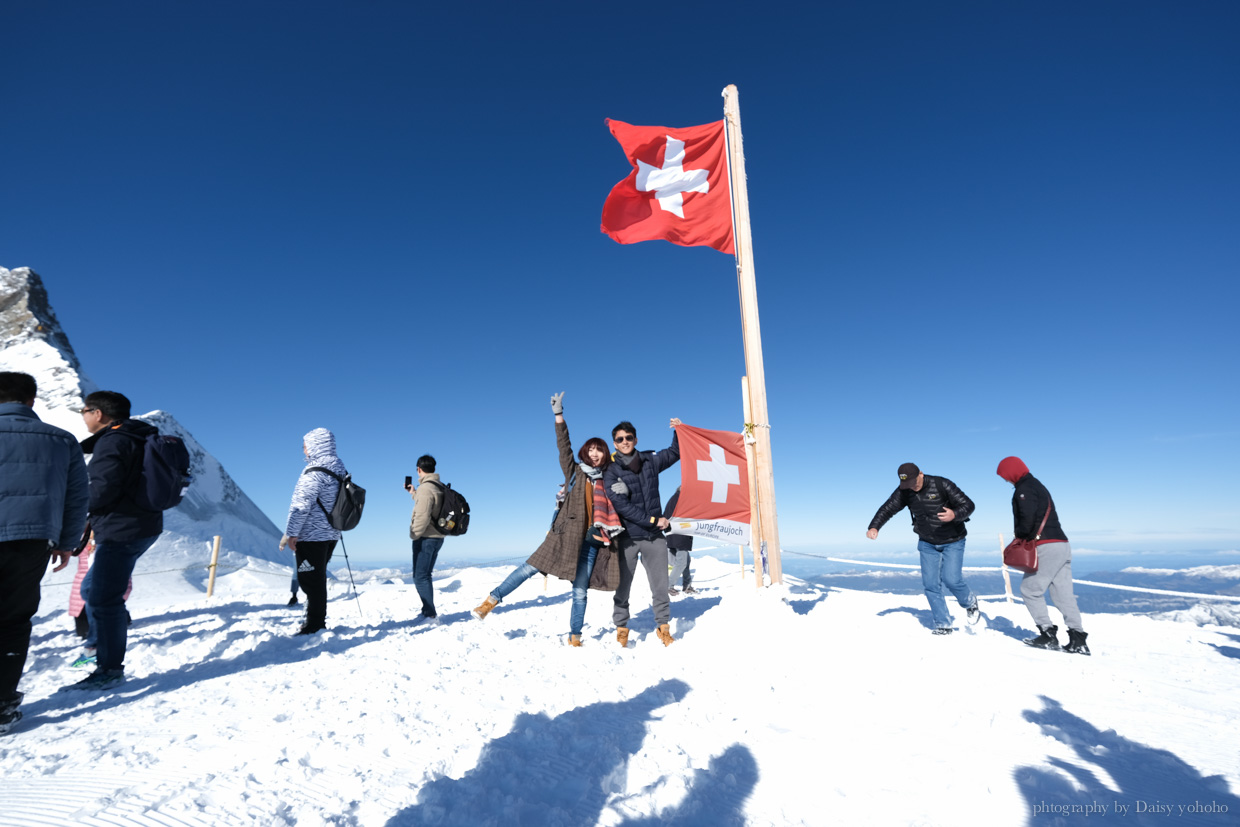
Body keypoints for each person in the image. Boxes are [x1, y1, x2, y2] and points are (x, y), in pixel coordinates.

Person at [472, 393, 621, 646]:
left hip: (591, 541)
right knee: (529, 568)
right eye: (591, 450)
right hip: (564, 536)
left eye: (599, 451)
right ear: (586, 452)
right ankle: (491, 601)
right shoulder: (574, 471)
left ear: (605, 455)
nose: (595, 455)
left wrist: (623, 491)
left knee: (580, 592)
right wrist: (558, 416)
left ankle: (575, 636)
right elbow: (564, 447)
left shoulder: (609, 478)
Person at [0, 372, 88, 732]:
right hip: (31, 540)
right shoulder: (62, 439)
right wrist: (67, 543)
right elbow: (77, 499)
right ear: (31, 401)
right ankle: (3, 704)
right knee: (13, 621)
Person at [68, 390, 163, 689]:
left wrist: (73, 507)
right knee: (94, 588)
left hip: (121, 530)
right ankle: (99, 648)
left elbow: (102, 489)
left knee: (103, 598)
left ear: (98, 413)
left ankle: (108, 669)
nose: (83, 416)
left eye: (84, 410)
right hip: (142, 525)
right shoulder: (139, 437)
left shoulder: (114, 441)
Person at [866, 462, 980, 635]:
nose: (911, 487)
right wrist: (874, 527)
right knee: (931, 584)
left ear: (921, 473)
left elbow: (969, 505)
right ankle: (943, 624)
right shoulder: (905, 490)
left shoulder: (942, 484)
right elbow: (888, 508)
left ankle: (969, 603)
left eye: (913, 482)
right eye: (907, 484)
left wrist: (954, 514)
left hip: (953, 540)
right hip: (927, 542)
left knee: (952, 580)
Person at [997, 456, 1089, 655]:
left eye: (1005, 476)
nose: (1006, 481)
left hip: (1046, 545)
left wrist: (1020, 536)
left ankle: (1047, 634)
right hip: (1062, 544)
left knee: (1030, 590)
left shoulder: (1024, 489)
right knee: (1063, 594)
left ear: (1012, 472)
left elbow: (1027, 519)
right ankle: (1078, 639)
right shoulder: (1038, 485)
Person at [604, 418, 681, 647]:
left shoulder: (650, 460)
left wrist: (679, 430)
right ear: (615, 444)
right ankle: (621, 628)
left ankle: (663, 627)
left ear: (635, 439)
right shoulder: (610, 470)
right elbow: (621, 506)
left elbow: (676, 452)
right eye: (620, 439)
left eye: (629, 437)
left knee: (660, 585)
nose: (625, 441)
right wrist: (653, 520)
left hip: (654, 537)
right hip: (627, 538)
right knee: (623, 586)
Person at [280, 428, 346, 636]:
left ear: (316, 445)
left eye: (306, 446)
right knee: (316, 578)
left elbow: (300, 505)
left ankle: (315, 625)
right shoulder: (339, 469)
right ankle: (314, 620)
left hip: (311, 536)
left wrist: (291, 534)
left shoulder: (314, 472)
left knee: (310, 580)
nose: (304, 450)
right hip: (331, 534)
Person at [407, 454, 445, 624]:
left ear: (419, 469)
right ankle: (428, 611)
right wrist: (413, 493)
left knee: (420, 577)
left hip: (425, 538)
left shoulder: (425, 489)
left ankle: (429, 613)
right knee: (425, 575)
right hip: (438, 537)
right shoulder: (438, 486)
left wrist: (414, 535)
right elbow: (431, 507)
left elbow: (422, 515)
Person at [664, 488, 696, 596]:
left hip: (673, 535)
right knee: (681, 562)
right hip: (680, 535)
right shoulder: (681, 500)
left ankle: (687, 586)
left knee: (686, 560)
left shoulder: (673, 499)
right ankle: (669, 586)